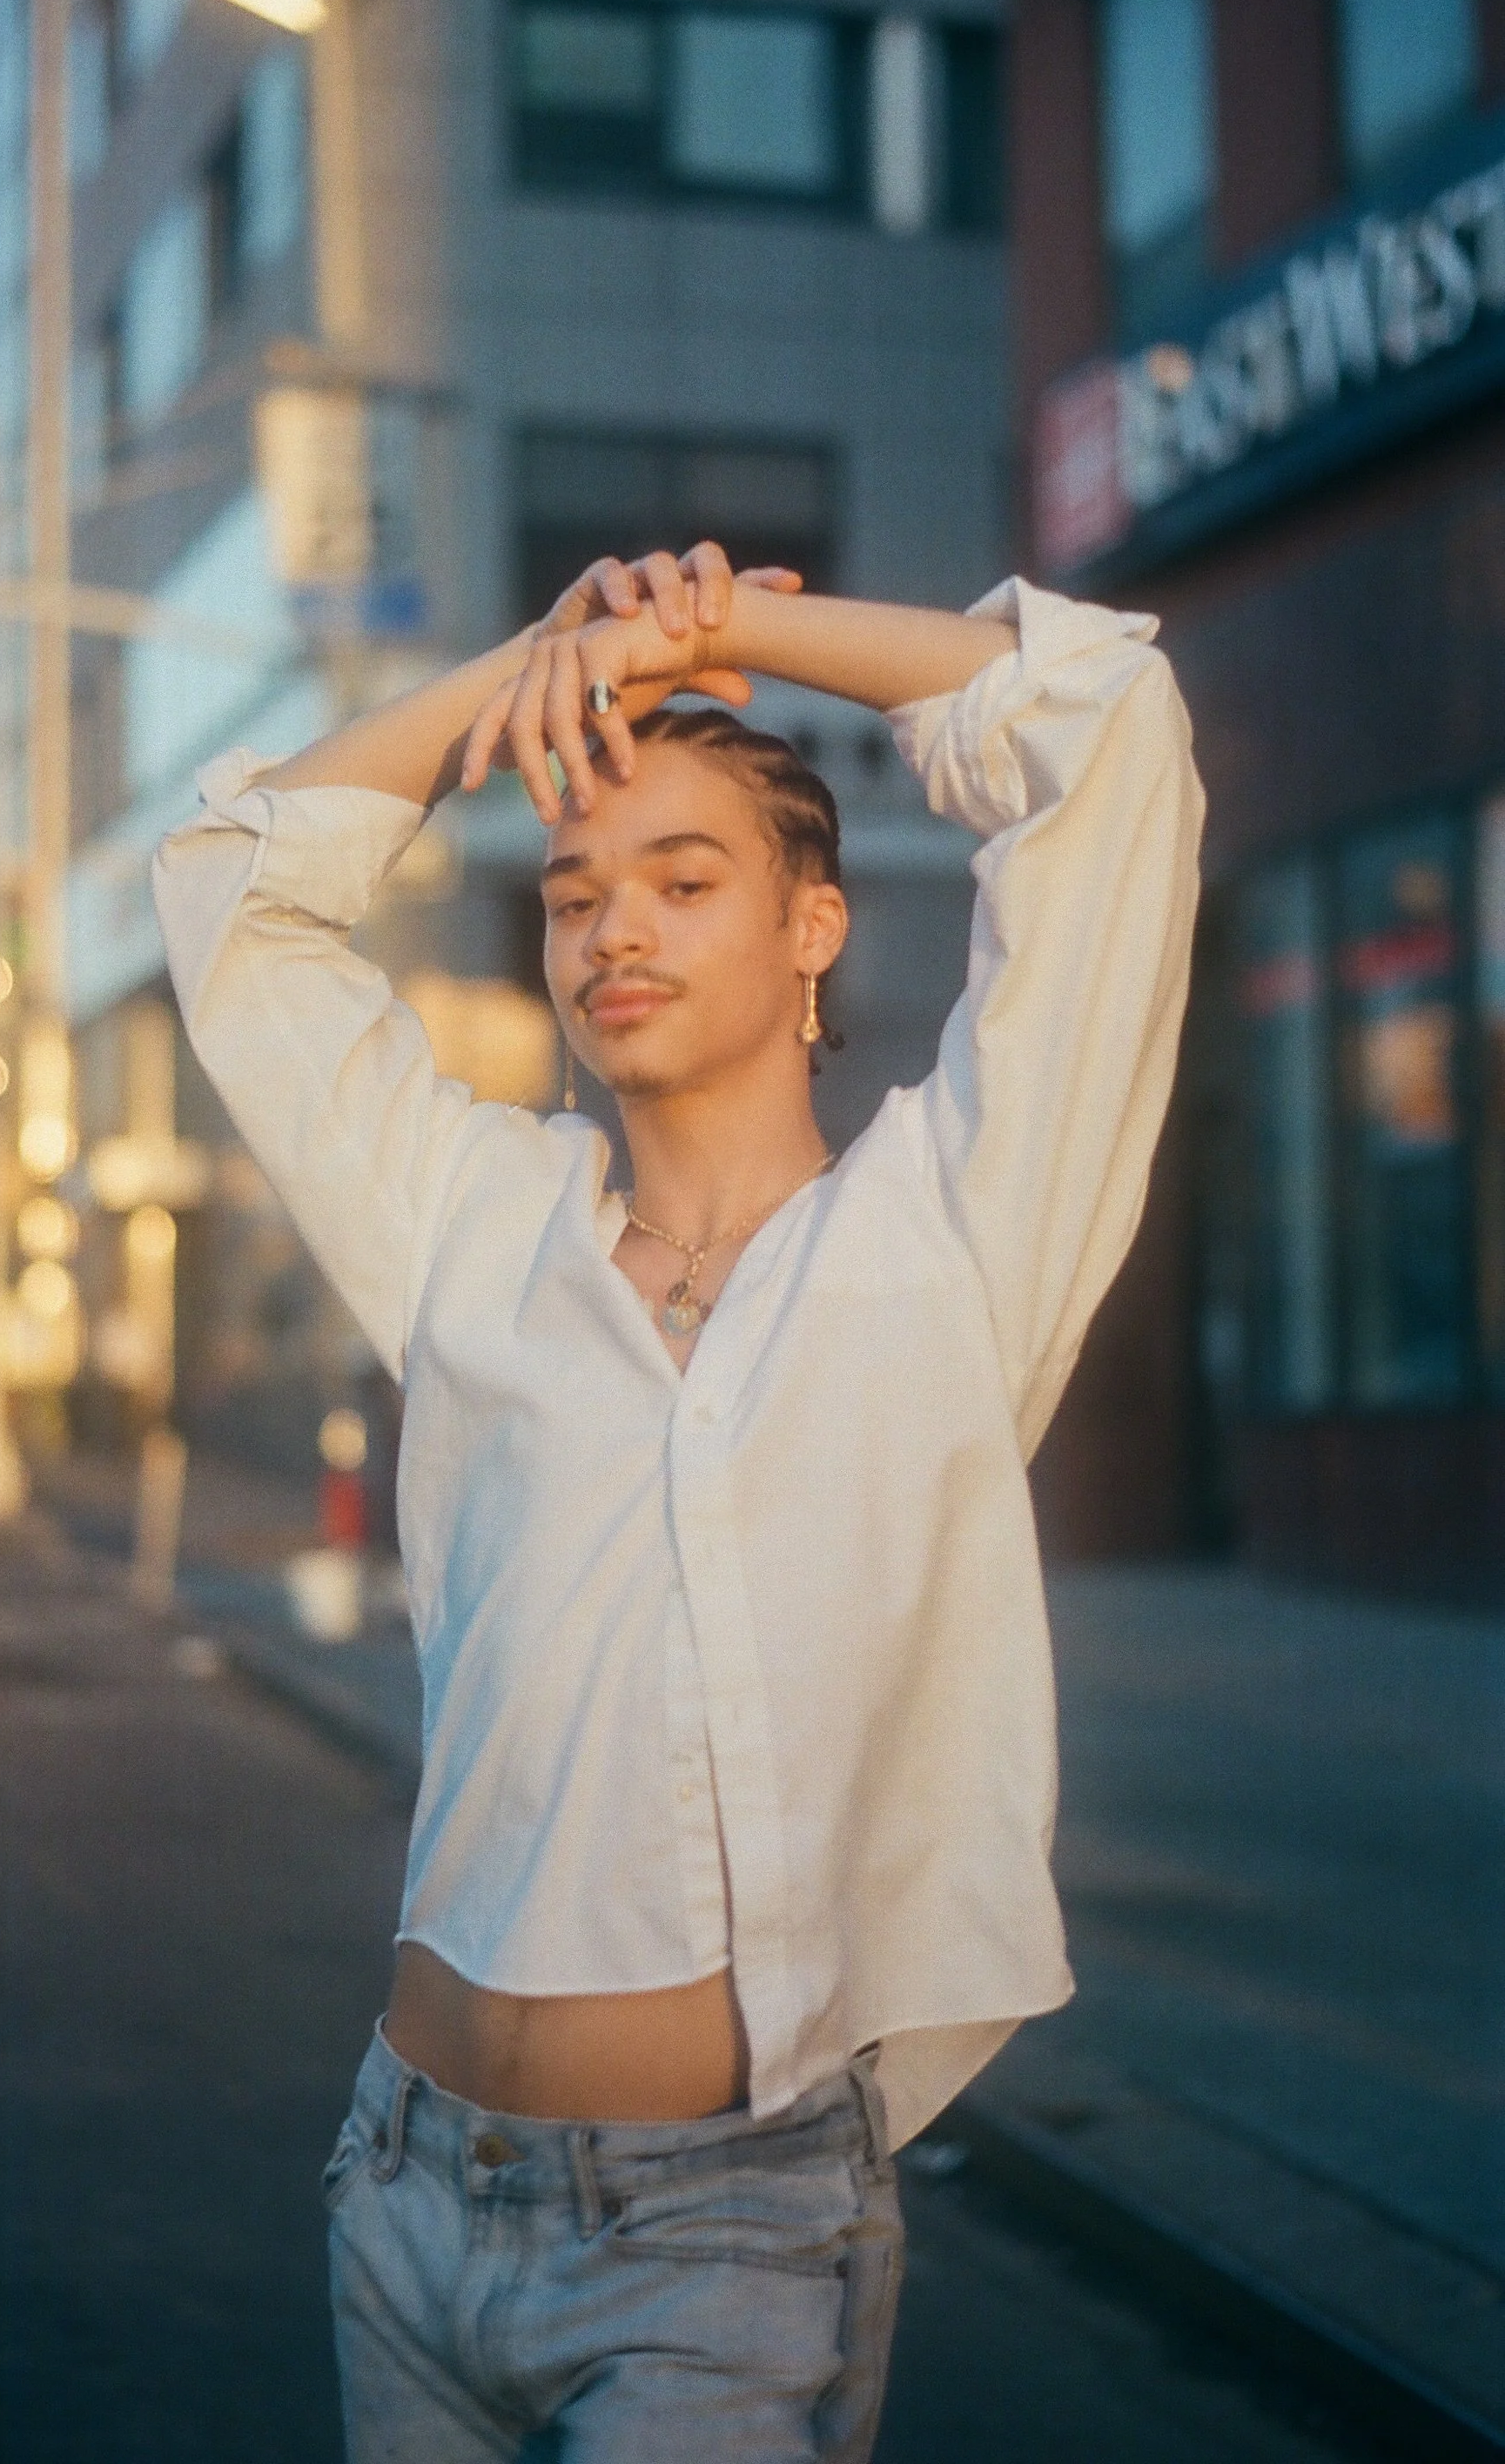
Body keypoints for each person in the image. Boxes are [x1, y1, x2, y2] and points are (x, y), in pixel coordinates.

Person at [153, 540, 1204, 2461]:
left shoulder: (956, 1238)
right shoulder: (472, 1226)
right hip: (403, 2183)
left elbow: (1109, 733)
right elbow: (234, 893)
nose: (609, 931)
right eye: (572, 896)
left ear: (815, 929)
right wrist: (536, 673)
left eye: (683, 880)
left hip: (723, 2240)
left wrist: (717, 634)